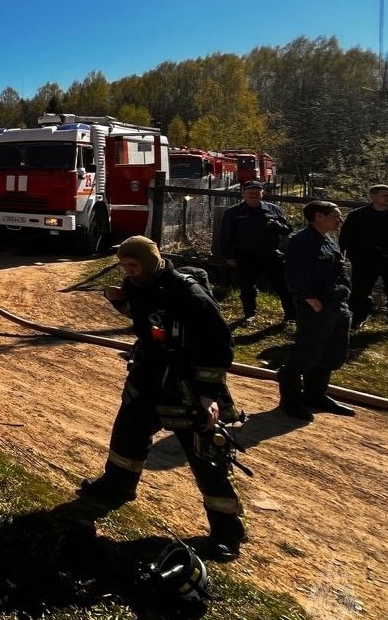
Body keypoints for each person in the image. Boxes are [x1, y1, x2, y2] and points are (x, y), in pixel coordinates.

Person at [79, 236, 246, 559]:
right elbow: (148, 319)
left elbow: (218, 344)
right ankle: (117, 486)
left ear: (151, 260)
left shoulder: (189, 295)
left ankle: (228, 530)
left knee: (205, 456)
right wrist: (120, 301)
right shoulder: (139, 284)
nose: (129, 271)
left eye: (133, 264)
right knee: (128, 432)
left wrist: (208, 394)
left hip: (187, 385)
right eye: (124, 266)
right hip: (149, 375)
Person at [278, 201, 354, 419]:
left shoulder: (328, 240)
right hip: (317, 307)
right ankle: (290, 401)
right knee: (306, 353)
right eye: (335, 215)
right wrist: (311, 300)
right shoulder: (302, 241)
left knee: (332, 353)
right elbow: (294, 275)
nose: (339, 220)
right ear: (319, 216)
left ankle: (315, 394)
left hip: (337, 304)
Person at [217, 181, 295, 323]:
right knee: (247, 287)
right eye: (250, 193)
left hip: (270, 254)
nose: (253, 195)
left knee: (282, 285)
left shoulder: (273, 210)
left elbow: (288, 228)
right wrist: (228, 256)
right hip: (246, 255)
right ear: (243, 194)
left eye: (256, 192)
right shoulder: (233, 213)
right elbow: (226, 236)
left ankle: (290, 315)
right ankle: (250, 314)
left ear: (262, 193)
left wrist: (276, 225)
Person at [339, 184, 388, 335]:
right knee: (360, 292)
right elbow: (345, 238)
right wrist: (348, 257)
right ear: (373, 197)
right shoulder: (357, 215)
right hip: (365, 261)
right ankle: (357, 321)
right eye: (386, 196)